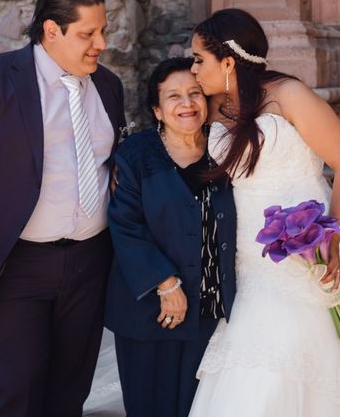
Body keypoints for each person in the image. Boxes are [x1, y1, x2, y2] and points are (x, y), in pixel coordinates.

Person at [187, 8, 340, 416]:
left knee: (302, 343)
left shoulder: (289, 95)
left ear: (227, 62)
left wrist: (331, 233)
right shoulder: (213, 109)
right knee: (263, 347)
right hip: (249, 254)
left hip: (308, 242)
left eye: (198, 59)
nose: (192, 70)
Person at [0, 0, 125, 416]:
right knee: (16, 392)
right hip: (12, 267)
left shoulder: (108, 86)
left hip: (88, 264)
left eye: (103, 31)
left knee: (69, 391)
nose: (101, 43)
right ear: (51, 31)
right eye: (88, 34)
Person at [104, 57, 237, 417]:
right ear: (158, 110)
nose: (187, 103)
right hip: (149, 312)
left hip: (211, 307)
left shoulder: (225, 150)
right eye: (174, 96)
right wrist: (165, 283)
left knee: (199, 407)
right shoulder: (136, 155)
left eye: (195, 93)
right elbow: (126, 225)